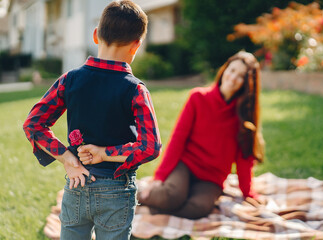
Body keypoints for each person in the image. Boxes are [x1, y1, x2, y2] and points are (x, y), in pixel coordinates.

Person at [23, 1, 161, 239]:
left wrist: (68, 158)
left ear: (96, 35)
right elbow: (151, 147)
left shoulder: (70, 80)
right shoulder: (136, 90)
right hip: (116, 189)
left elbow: (34, 124)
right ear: (137, 45)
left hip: (77, 183)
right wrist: (105, 153)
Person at [138, 51, 265, 220]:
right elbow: (178, 139)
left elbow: (244, 158)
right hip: (186, 166)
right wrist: (159, 177)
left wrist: (247, 192)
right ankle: (135, 196)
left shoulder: (243, 117)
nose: (233, 77)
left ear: (247, 84)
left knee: (198, 209)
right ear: (224, 69)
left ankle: (154, 209)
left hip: (211, 178)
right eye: (232, 70)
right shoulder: (198, 98)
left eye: (240, 76)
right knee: (171, 197)